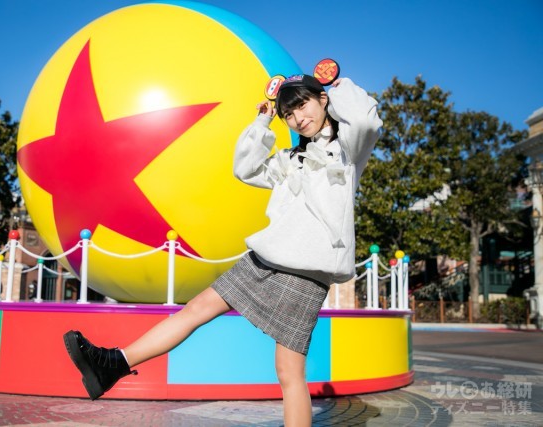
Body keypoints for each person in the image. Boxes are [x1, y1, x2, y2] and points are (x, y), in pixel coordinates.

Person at [64, 73, 381, 426]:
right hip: (265, 259)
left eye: (303, 105)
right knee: (196, 308)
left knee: (288, 371)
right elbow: (245, 169)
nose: (298, 118)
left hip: (305, 272)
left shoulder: (347, 151)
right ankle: (113, 365)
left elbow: (366, 120)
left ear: (322, 101)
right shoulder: (291, 159)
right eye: (289, 114)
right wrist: (263, 122)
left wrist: (337, 86)